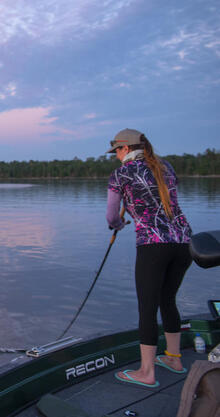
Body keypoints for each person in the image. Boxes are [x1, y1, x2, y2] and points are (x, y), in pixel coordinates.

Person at [106, 129, 193, 388]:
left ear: (125, 148)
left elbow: (111, 217)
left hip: (153, 245)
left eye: (117, 151)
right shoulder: (166, 167)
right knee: (168, 299)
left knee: (147, 306)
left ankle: (147, 372)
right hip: (184, 242)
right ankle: (174, 359)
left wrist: (119, 224)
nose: (116, 156)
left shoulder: (120, 174)